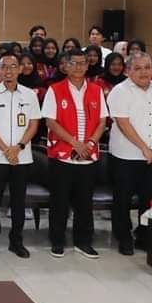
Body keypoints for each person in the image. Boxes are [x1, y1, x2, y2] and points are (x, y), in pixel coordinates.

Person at [108, 52, 152, 255]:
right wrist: (144, 148)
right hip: (126, 156)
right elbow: (123, 123)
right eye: (137, 68)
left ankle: (145, 236)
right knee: (122, 199)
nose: (144, 72)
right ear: (128, 71)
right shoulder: (119, 91)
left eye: (147, 67)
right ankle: (123, 237)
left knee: (151, 198)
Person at [42, 47, 108, 259]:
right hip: (62, 155)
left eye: (82, 63)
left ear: (88, 66)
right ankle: (57, 241)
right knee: (59, 202)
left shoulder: (96, 90)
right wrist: (75, 144)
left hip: (88, 155)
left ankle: (83, 242)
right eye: (74, 63)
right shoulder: (54, 90)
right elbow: (51, 121)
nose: (78, 67)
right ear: (65, 66)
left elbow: (102, 122)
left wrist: (89, 144)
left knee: (84, 203)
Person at [0, 52, 41, 258]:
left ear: (20, 69)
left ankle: (16, 242)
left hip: (22, 157)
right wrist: (6, 150)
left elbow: (34, 125)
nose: (9, 71)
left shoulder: (30, 95)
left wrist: (19, 147)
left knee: (18, 202)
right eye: (4, 67)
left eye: (13, 66)